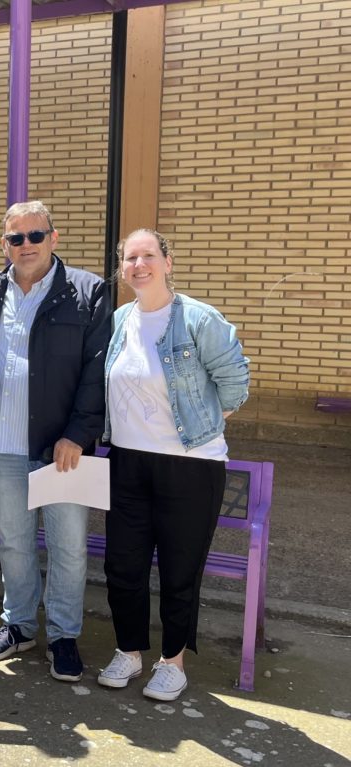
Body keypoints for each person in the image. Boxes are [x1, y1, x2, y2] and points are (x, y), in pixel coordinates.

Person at [97, 229, 249, 701]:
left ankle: (173, 662)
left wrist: (203, 424)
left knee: (179, 569)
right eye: (130, 258)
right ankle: (128, 651)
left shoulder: (200, 319)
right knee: (123, 565)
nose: (139, 265)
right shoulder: (120, 319)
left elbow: (235, 384)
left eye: (148, 255)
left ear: (167, 261)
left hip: (190, 466)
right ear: (122, 267)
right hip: (126, 461)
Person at [0, 201, 110, 683]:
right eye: (16, 238)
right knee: (14, 542)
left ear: (54, 238)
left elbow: (98, 371)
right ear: (4, 244)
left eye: (35, 235)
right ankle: (19, 626)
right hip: (4, 444)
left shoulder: (88, 291)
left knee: (68, 546)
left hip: (62, 448)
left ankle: (64, 636)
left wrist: (79, 433)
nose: (26, 245)